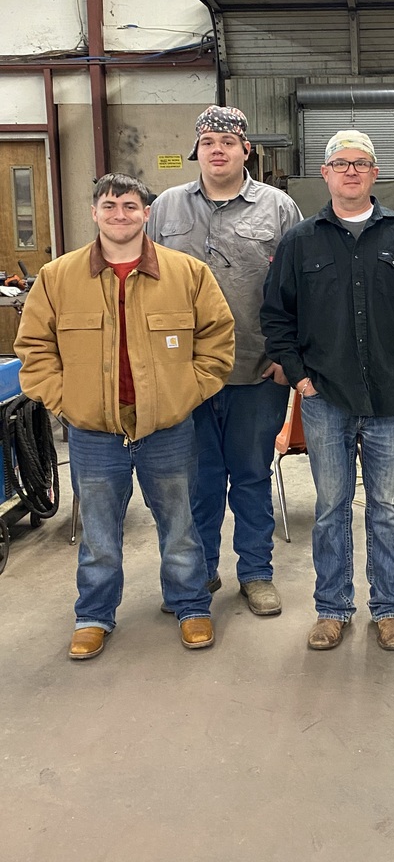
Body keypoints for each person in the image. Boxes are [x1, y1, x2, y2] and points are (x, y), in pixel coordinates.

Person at [15, 174, 234, 659]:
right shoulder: (58, 277)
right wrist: (68, 402)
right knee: (98, 532)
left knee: (180, 525)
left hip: (167, 429)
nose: (120, 214)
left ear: (146, 213)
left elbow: (218, 342)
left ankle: (191, 605)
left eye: (130, 206)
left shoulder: (187, 274)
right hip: (94, 433)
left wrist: (183, 395)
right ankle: (93, 615)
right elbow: (34, 348)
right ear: (94, 212)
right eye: (110, 206)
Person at [261, 130, 394, 651]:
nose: (351, 171)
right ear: (325, 174)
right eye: (340, 163)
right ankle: (332, 608)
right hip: (325, 397)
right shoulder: (301, 240)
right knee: (331, 507)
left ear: (374, 173)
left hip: (393, 397)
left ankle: (390, 609)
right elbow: (277, 316)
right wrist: (299, 377)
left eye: (361, 163)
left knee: (388, 506)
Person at [147, 106, 301, 617]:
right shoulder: (165, 208)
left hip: (255, 371)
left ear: (245, 150)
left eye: (228, 142)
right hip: (182, 376)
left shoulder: (278, 208)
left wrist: (287, 359)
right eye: (209, 140)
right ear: (197, 148)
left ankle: (256, 574)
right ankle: (201, 570)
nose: (218, 149)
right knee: (197, 479)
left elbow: (299, 289)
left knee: (252, 474)